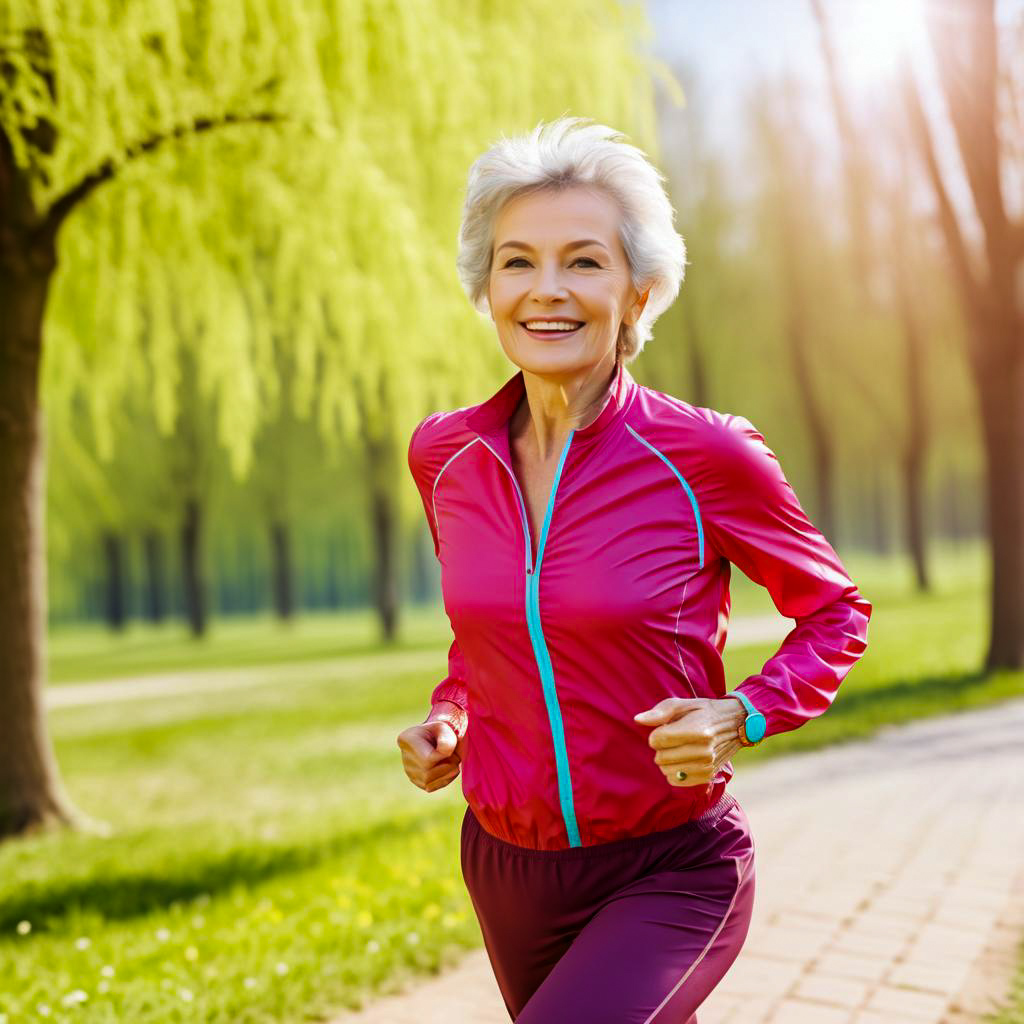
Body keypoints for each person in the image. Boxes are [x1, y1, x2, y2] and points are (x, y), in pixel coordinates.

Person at [396, 116, 872, 1023]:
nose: (547, 291)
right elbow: (486, 639)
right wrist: (449, 720)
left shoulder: (705, 454)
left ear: (639, 293)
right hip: (505, 867)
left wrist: (744, 712)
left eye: (583, 261)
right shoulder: (443, 457)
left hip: (672, 866)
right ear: (485, 287)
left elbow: (836, 613)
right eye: (517, 262)